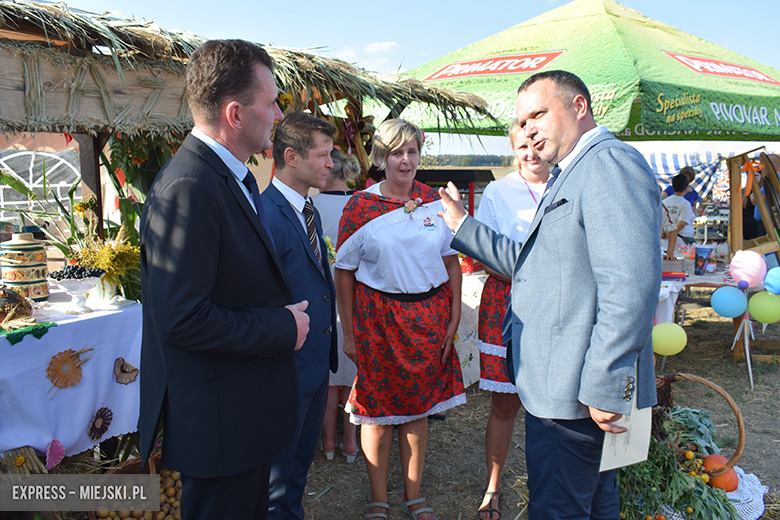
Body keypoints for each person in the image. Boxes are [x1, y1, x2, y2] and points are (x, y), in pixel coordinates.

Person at [438, 70, 660, 519]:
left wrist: (605, 383)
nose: (529, 129)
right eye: (522, 122)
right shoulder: (574, 171)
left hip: (578, 393)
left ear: (578, 107)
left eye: (538, 114)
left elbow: (630, 287)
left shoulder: (607, 164)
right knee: (592, 505)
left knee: (560, 508)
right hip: (564, 388)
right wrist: (463, 226)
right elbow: (535, 265)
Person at [139, 39, 310, 520]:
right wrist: (281, 327)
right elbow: (182, 319)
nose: (279, 115)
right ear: (235, 114)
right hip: (221, 428)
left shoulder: (220, 176)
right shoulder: (190, 187)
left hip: (240, 420)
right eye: (271, 103)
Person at [335, 119, 466, 520]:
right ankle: (379, 498)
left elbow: (451, 261)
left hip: (428, 320)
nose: (405, 161)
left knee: (418, 410)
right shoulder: (360, 206)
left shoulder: (436, 202)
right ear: (381, 157)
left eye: (412, 152)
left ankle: (414, 496)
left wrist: (454, 317)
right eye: (396, 153)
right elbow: (344, 271)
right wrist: (349, 332)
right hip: (377, 321)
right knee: (376, 412)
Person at [260, 112, 338, 520]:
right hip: (285, 370)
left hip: (314, 367)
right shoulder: (264, 214)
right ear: (291, 156)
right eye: (323, 155)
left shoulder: (310, 209)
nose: (330, 164)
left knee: (297, 473)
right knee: (275, 481)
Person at [473, 120, 549, 520]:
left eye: (537, 144)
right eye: (522, 147)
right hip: (507, 303)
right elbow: (483, 253)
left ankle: (549, 487)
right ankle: (493, 487)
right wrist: (532, 273)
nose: (531, 153)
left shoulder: (569, 184)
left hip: (557, 305)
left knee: (553, 408)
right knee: (505, 406)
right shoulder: (498, 192)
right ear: (513, 150)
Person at [312, 148, 362, 464]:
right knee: (354, 376)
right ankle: (351, 442)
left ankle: (329, 441)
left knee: (329, 379)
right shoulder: (362, 204)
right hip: (356, 299)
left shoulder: (312, 206)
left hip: (323, 299)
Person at [662, 173, 696, 256]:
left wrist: (665, 233)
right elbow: (682, 224)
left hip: (665, 243)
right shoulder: (685, 204)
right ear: (686, 188)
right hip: (681, 245)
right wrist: (670, 233)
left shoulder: (664, 202)